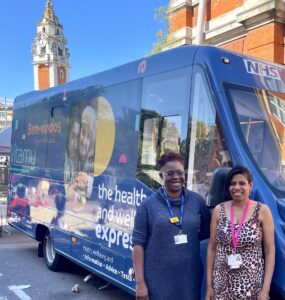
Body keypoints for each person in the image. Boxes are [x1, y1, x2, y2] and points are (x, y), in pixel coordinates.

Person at [132, 152, 211, 300]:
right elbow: (138, 245)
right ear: (161, 176)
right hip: (157, 279)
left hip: (190, 278)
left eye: (180, 173)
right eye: (170, 173)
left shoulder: (197, 202)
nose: (176, 177)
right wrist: (140, 283)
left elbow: (206, 234)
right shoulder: (148, 205)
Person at [206, 165, 275, 300]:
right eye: (232, 183)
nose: (236, 187)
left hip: (251, 286)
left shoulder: (262, 211)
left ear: (250, 186)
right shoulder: (218, 210)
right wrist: (209, 286)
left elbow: (270, 251)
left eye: (242, 183)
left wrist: (265, 290)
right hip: (221, 283)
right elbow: (212, 249)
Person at [64, 107, 81, 184]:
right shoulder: (64, 161)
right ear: (67, 137)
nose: (75, 144)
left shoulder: (77, 162)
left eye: (78, 137)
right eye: (73, 137)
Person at [78, 105, 96, 174]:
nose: (84, 141)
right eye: (83, 132)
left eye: (88, 136)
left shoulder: (92, 164)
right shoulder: (72, 160)